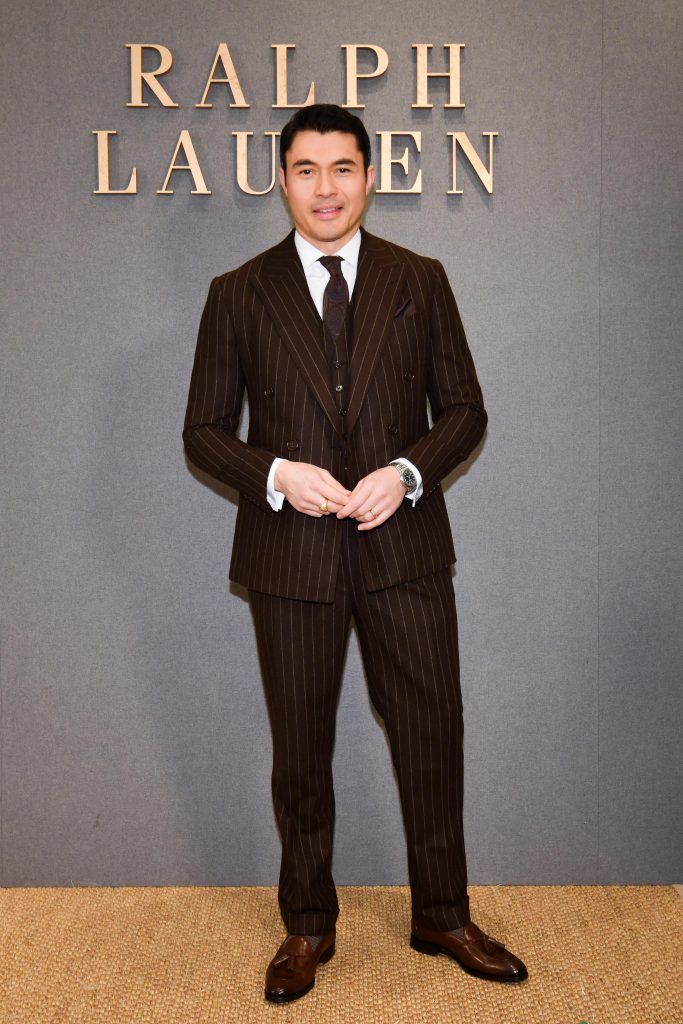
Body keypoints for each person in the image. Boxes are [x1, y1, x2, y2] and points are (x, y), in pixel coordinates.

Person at [183, 103, 528, 1003]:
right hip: (289, 555)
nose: (325, 187)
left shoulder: (422, 279)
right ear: (282, 180)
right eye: (306, 169)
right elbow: (204, 431)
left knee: (431, 732)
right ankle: (306, 924)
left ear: (370, 176)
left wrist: (407, 472)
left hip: (403, 547)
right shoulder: (237, 292)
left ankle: (442, 913)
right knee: (300, 747)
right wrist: (275, 473)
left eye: (342, 168)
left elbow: (464, 410)